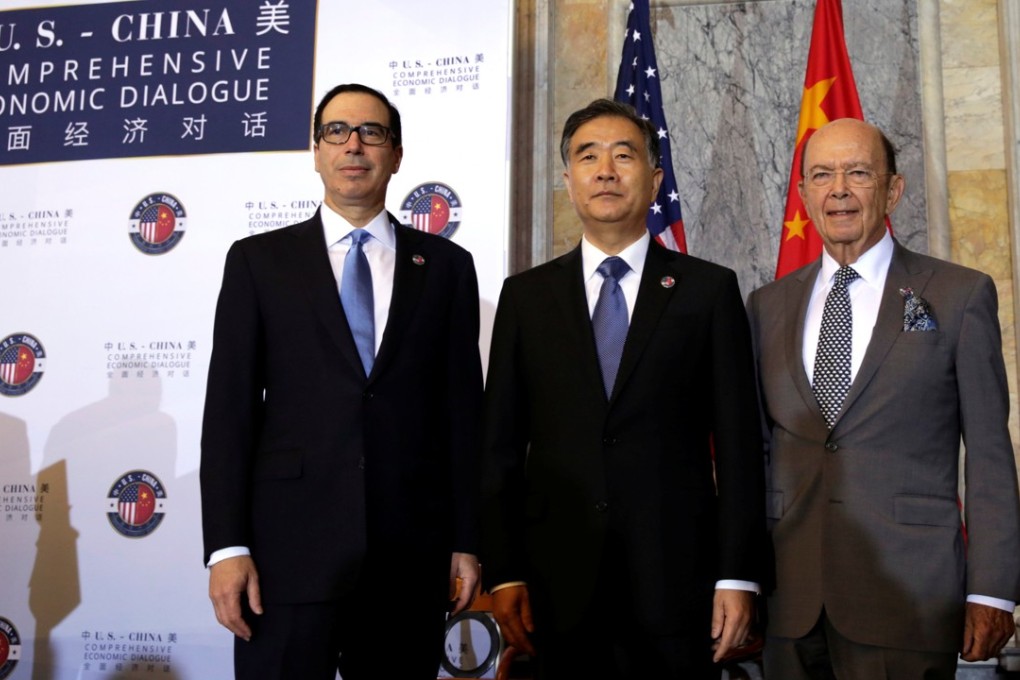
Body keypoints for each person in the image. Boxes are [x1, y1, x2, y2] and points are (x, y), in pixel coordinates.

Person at [199, 83, 483, 680]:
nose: (354, 145)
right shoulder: (257, 261)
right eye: (337, 131)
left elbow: (462, 415)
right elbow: (230, 414)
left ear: (397, 154)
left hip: (410, 554)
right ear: (317, 150)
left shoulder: (446, 268)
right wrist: (227, 547)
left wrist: (467, 539)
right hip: (286, 555)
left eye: (372, 132)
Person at [480, 98, 767, 678]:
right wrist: (505, 570)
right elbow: (500, 448)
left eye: (623, 155)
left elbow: (739, 446)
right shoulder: (525, 298)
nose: (605, 170)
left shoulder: (707, 291)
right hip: (555, 587)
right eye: (588, 157)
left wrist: (737, 573)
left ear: (655, 178)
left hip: (677, 583)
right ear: (568, 180)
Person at [747, 117, 1020, 678]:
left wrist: (993, 590)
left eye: (858, 173)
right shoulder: (765, 305)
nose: (839, 189)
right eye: (822, 175)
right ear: (802, 196)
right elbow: (754, 454)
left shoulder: (959, 294)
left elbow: (991, 455)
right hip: (788, 603)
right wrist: (737, 578)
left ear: (893, 189)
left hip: (909, 598)